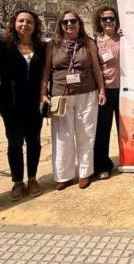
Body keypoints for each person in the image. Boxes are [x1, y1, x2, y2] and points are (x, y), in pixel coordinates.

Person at [40, 11, 106, 191]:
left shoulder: (88, 43)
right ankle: (63, 175)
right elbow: (46, 70)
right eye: (65, 22)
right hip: (61, 95)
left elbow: (96, 68)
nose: (69, 24)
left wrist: (101, 90)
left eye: (73, 21)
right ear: (60, 25)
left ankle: (85, 172)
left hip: (87, 93)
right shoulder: (53, 44)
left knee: (86, 133)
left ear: (79, 23)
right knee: (62, 136)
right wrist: (43, 93)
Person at [0, 10, 47, 201]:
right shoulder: (2, 46)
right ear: (14, 23)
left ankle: (32, 178)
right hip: (11, 102)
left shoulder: (41, 47)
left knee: (34, 142)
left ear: (35, 25)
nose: (25, 24)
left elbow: (45, 73)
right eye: (21, 21)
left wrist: (44, 94)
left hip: (35, 102)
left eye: (29, 21)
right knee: (15, 143)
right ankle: (17, 181)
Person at [93, 6, 121, 180]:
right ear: (100, 22)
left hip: (126, 90)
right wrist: (101, 90)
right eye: (104, 19)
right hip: (105, 91)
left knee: (126, 129)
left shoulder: (123, 38)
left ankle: (129, 160)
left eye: (112, 18)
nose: (108, 21)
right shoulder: (95, 42)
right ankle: (103, 165)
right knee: (102, 129)